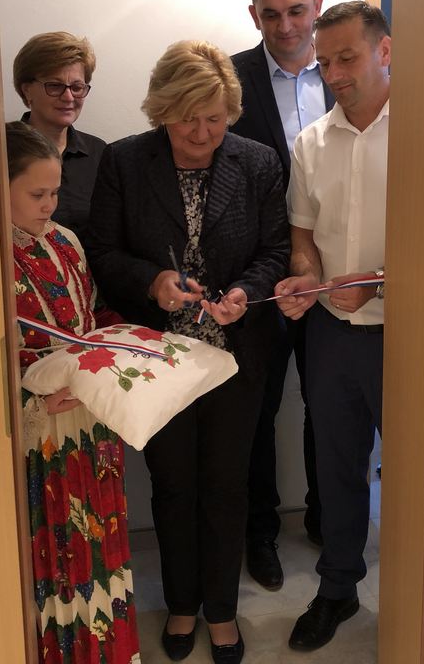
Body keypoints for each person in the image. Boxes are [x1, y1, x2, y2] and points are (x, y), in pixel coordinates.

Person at [85, 41, 289, 664]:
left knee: (226, 485)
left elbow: (275, 250)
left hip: (235, 353)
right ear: (161, 111)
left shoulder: (256, 162)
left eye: (215, 118)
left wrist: (246, 291)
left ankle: (221, 611)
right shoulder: (125, 161)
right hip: (158, 357)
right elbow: (103, 252)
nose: (201, 133)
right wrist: (153, 281)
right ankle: (180, 604)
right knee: (173, 485)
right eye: (186, 120)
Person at [274, 2, 391, 652]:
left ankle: (420, 591)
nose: (335, 73)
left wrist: (378, 281)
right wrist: (305, 276)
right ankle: (338, 589)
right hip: (330, 337)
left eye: (348, 58)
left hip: (407, 337)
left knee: (414, 472)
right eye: (325, 63)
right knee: (337, 469)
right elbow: (302, 235)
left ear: (384, 51)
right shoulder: (311, 143)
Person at [8, 121, 141, 664]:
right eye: (36, 194)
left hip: (92, 421)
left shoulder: (66, 241)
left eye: (55, 193)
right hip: (42, 435)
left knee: (102, 545)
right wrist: (34, 406)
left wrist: (131, 343)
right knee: (57, 551)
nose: (50, 205)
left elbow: (91, 316)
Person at [229, 0, 333, 590]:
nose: (286, 25)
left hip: (334, 272)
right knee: (257, 410)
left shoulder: (348, 70)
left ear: (316, 5)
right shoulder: (232, 79)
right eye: (271, 14)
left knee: (330, 405)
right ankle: (259, 533)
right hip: (263, 273)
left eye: (296, 11)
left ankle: (327, 520)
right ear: (254, 16)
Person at [13, 32, 106, 245]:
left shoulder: (100, 153)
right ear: (27, 90)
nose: (68, 97)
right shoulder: (1, 152)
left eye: (77, 87)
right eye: (55, 86)